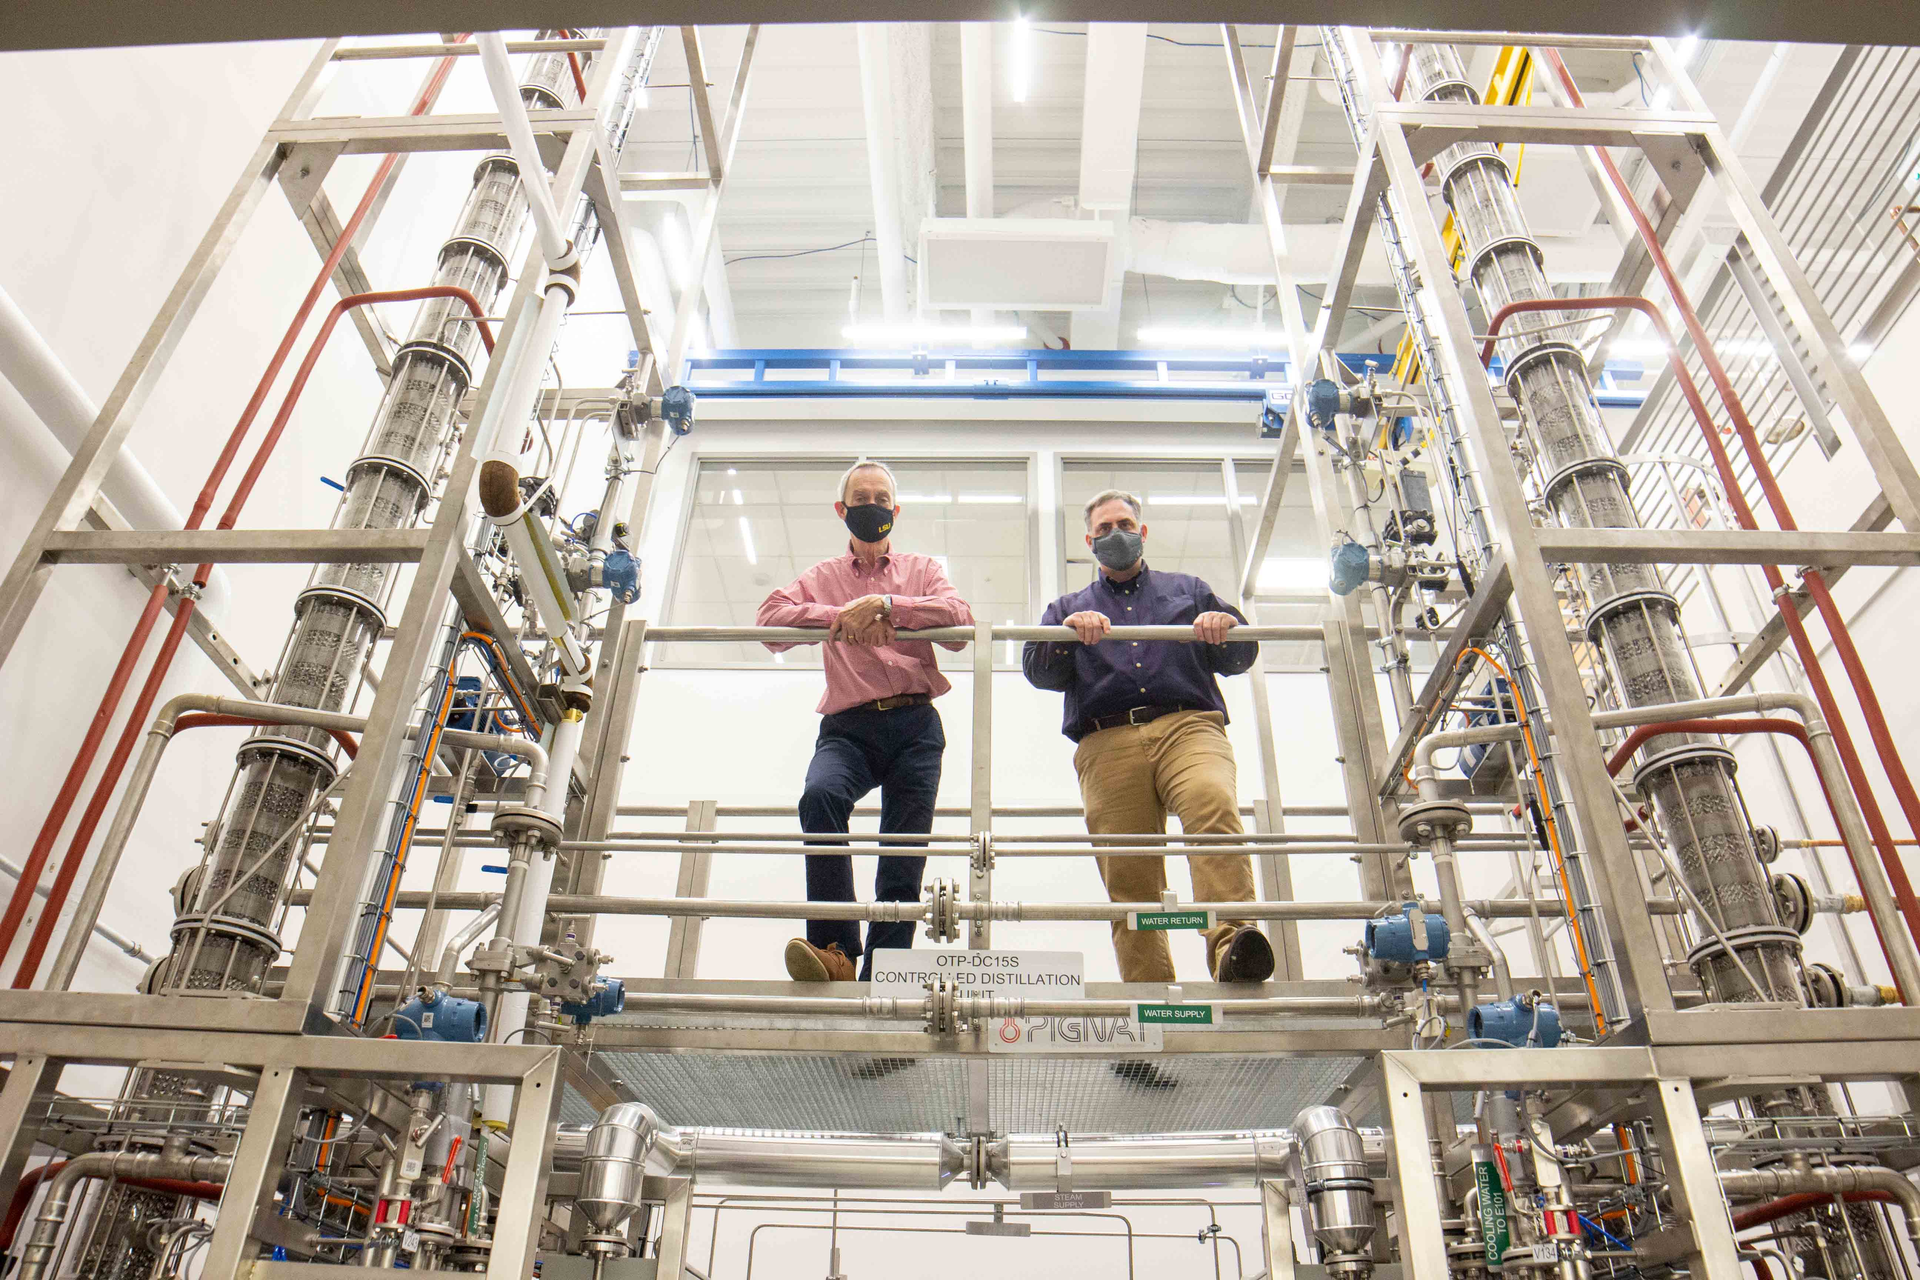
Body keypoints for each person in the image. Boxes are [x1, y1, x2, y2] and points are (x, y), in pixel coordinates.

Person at [1022, 488, 1274, 986]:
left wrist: (1227, 624)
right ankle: (1150, 999)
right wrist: (1067, 635)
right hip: (1107, 739)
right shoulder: (1068, 606)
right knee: (1130, 872)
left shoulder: (1189, 590)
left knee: (1212, 801)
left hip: (1188, 725)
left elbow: (1241, 657)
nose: (1116, 535)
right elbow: (1035, 669)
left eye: (1124, 525)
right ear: (1089, 540)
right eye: (1104, 529)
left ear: (1142, 531)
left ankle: (1232, 947)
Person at [757, 460, 974, 982]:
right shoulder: (823, 577)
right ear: (842, 510)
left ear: (895, 511)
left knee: (903, 848)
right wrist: (843, 617)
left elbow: (960, 624)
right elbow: (769, 625)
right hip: (848, 726)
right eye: (860, 498)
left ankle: (885, 970)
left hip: (914, 724)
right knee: (820, 798)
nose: (871, 506)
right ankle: (836, 950)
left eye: (881, 498)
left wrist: (890, 607)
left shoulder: (922, 570)